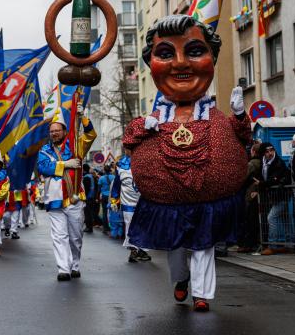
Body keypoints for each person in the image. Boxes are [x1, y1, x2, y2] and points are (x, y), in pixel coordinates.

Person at [123, 15, 252, 311]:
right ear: (151, 63)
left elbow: (244, 138)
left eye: (194, 51)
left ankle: (202, 295)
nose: (180, 63)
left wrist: (241, 116)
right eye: (165, 54)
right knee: (177, 247)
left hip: (210, 202)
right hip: (168, 205)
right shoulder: (154, 118)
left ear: (212, 58)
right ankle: (181, 280)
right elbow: (129, 140)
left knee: (204, 245)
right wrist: (144, 126)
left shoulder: (217, 116)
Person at [37, 104, 96, 281]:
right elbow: (43, 167)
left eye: (57, 130)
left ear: (64, 131)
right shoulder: (44, 151)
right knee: (59, 235)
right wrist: (64, 165)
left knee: (76, 236)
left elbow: (91, 135)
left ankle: (75, 264)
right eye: (51, 131)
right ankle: (63, 268)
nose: (54, 133)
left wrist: (82, 116)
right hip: (54, 199)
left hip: (75, 198)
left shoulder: (76, 146)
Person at [111, 149, 151, 263]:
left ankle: (142, 250)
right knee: (130, 226)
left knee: (144, 226)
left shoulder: (145, 162)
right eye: (128, 147)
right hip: (127, 202)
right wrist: (114, 200)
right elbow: (116, 185)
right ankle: (133, 250)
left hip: (144, 202)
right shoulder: (120, 165)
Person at [258, 143, 292, 255]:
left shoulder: (278, 163)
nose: (270, 153)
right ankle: (289, 244)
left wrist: (262, 184)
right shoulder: (262, 162)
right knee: (284, 219)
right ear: (263, 153)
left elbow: (274, 179)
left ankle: (272, 245)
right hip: (273, 196)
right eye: (267, 151)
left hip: (281, 195)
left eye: (272, 150)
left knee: (271, 218)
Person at [237, 143, 263, 253]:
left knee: (249, 219)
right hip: (256, 192)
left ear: (253, 151)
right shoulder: (262, 162)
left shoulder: (252, 163)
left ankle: (248, 244)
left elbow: (243, 177)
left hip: (250, 193)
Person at [98, 165, 114, 233]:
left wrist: (97, 197)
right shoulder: (113, 177)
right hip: (112, 196)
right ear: (110, 170)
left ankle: (105, 228)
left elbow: (99, 189)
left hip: (104, 196)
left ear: (104, 170)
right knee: (112, 211)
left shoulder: (101, 178)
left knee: (104, 212)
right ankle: (113, 227)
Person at [82, 164, 95, 233]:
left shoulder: (86, 177)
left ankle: (88, 227)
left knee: (87, 213)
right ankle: (90, 227)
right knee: (90, 212)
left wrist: (84, 198)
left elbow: (85, 189)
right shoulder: (91, 176)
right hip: (92, 197)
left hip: (88, 197)